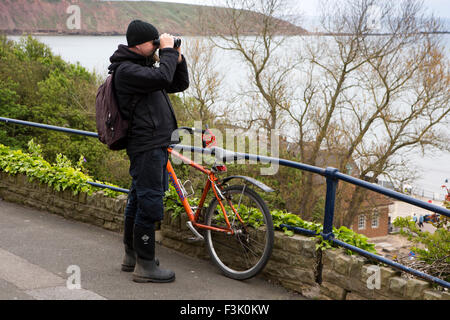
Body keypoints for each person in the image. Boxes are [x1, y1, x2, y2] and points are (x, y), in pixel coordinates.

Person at [108, 19, 189, 283]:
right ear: (139, 44)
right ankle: (145, 266)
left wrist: (176, 57)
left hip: (152, 144)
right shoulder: (127, 71)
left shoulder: (142, 67)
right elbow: (162, 77)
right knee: (150, 203)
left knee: (137, 199)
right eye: (154, 42)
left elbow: (177, 83)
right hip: (146, 146)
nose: (157, 46)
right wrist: (165, 53)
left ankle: (132, 256)